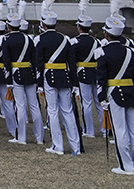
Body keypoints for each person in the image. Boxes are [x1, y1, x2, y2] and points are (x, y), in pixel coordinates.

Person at [97, 13, 134, 175]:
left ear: (106, 34)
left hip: (114, 93)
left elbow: (102, 78)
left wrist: (101, 97)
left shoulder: (102, 52)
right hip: (132, 92)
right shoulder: (131, 52)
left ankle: (126, 166)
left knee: (120, 130)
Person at [35, 9, 81, 156]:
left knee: (53, 111)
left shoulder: (40, 39)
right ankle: (76, 147)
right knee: (68, 112)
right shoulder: (66, 39)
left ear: (43, 24)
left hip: (49, 76)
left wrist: (39, 83)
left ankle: (58, 145)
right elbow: (72, 63)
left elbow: (39, 63)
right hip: (65, 76)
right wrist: (75, 82)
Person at [2, 14, 42, 145]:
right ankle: (39, 137)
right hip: (29, 73)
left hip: (16, 74)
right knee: (34, 106)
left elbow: (7, 61)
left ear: (8, 26)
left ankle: (22, 137)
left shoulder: (6, 40)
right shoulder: (29, 39)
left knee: (20, 106)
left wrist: (8, 80)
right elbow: (34, 59)